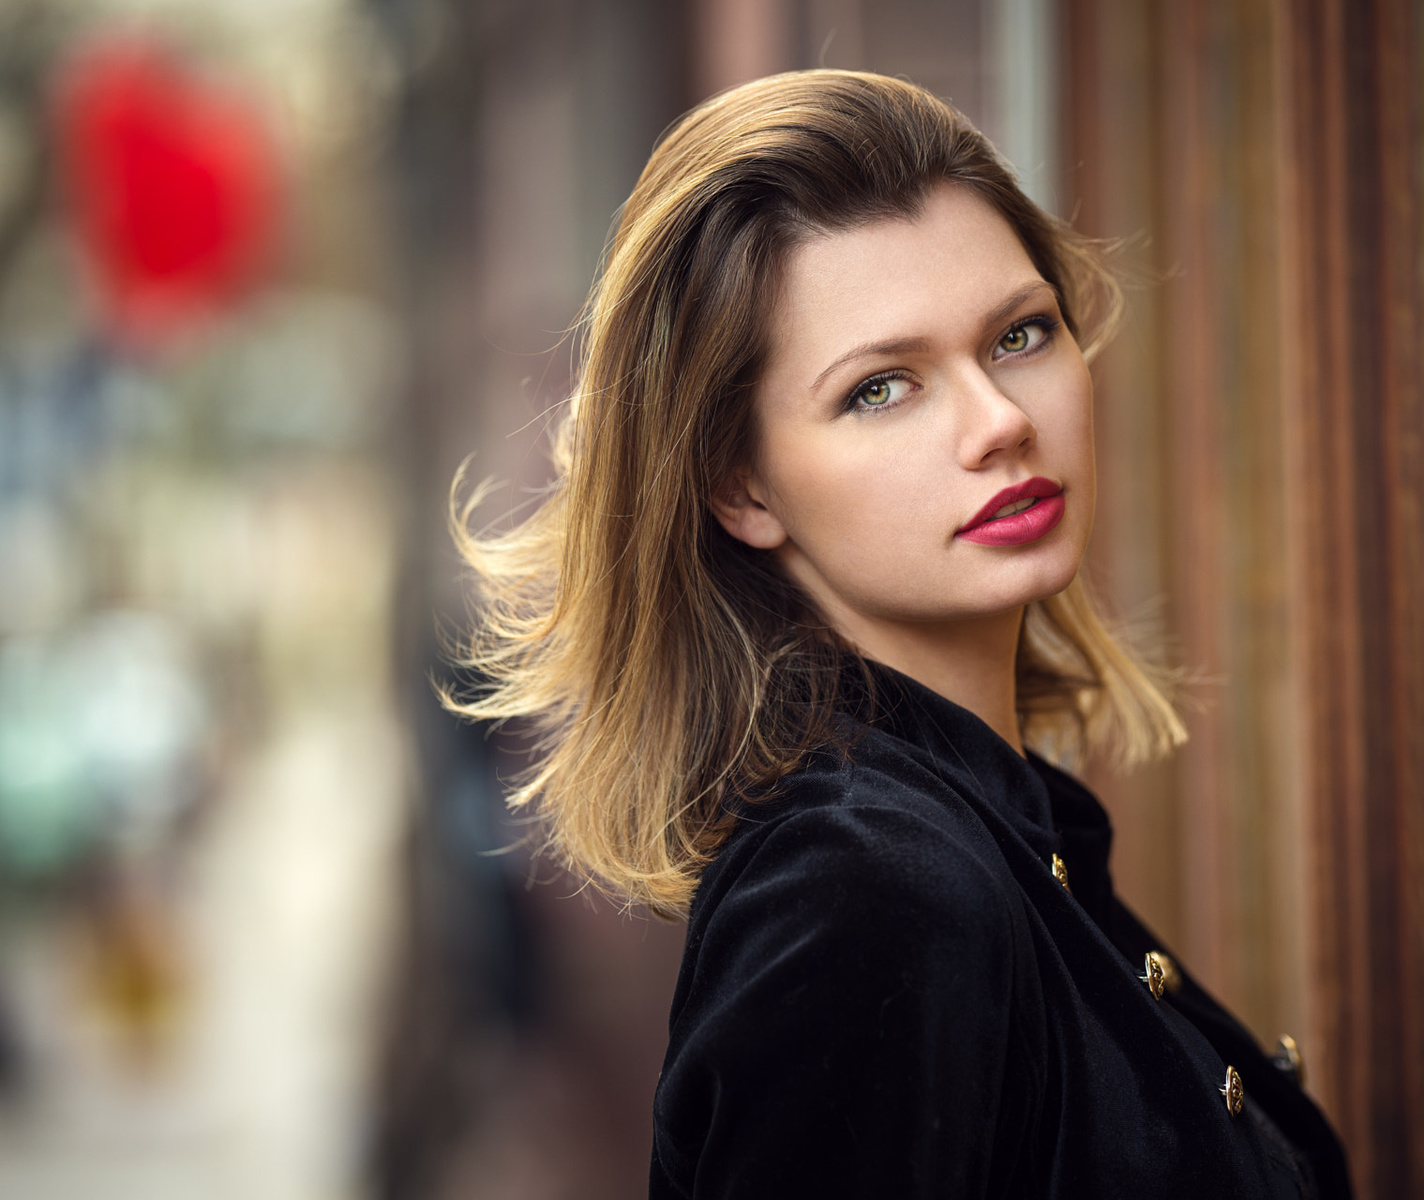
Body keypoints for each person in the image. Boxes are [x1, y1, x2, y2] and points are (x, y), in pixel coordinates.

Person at [448, 69, 1350, 1199]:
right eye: (882, 389)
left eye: (1020, 334)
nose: (1001, 421)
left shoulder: (978, 822)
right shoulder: (869, 893)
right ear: (742, 489)